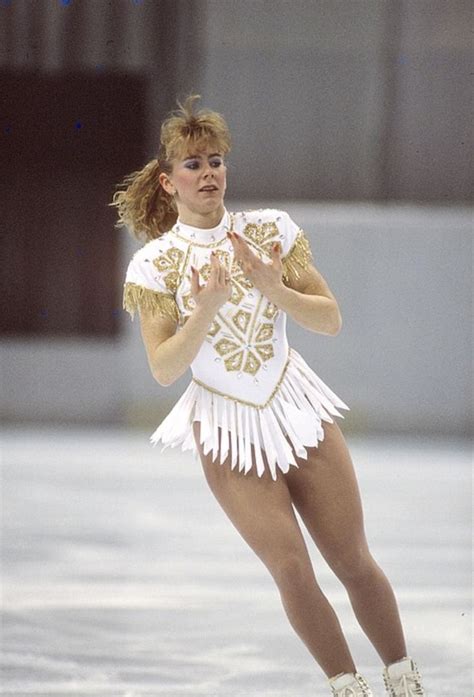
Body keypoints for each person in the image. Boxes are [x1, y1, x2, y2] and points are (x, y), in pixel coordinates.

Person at [110, 95, 426, 697]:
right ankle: (348, 688)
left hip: (297, 409)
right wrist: (201, 310)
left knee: (353, 559)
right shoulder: (153, 265)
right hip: (226, 428)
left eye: (216, 161)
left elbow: (329, 319)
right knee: (291, 568)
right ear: (167, 179)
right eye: (193, 164)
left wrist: (272, 287)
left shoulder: (270, 230)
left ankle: (406, 682)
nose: (208, 174)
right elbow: (163, 369)